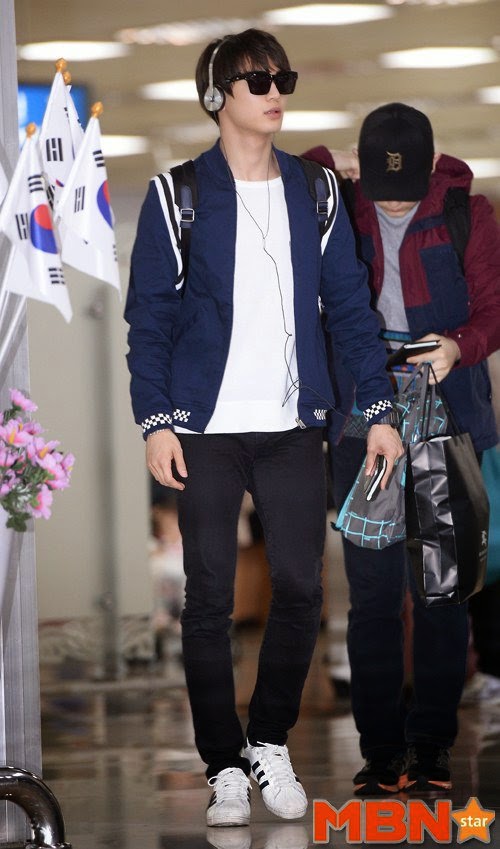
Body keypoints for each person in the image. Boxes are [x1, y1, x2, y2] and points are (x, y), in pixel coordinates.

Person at [125, 30, 402, 828]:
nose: (276, 91)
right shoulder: (177, 195)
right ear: (217, 97)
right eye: (258, 80)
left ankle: (269, 740)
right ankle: (222, 764)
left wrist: (379, 410)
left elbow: (349, 309)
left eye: (283, 78)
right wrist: (155, 420)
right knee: (210, 598)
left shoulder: (316, 192)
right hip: (205, 429)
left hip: (292, 424)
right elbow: (150, 319)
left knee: (303, 586)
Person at [303, 102, 500, 796]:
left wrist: (458, 345)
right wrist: (332, 162)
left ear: (429, 169)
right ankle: (381, 751)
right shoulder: (338, 204)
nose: (392, 202)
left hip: (448, 417)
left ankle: (433, 745)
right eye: (381, 187)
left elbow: (494, 308)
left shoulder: (468, 212)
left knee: (442, 592)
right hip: (362, 419)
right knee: (374, 598)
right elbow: (290, 178)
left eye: (405, 188)